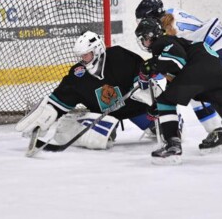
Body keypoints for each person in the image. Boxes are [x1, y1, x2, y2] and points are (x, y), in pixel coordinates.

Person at [15, 30, 159, 149]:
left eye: (86, 54)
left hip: (135, 109)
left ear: (97, 50)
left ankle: (158, 124)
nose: (83, 59)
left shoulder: (119, 57)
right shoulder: (78, 74)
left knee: (164, 130)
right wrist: (49, 113)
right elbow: (62, 98)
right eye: (81, 56)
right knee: (98, 141)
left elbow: (142, 71)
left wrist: (143, 87)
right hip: (105, 116)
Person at [135, 0, 222, 144]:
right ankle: (220, 127)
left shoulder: (167, 31)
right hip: (218, 40)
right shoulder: (170, 14)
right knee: (206, 87)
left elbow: (178, 68)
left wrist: (164, 99)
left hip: (214, 46)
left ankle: (216, 131)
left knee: (195, 89)